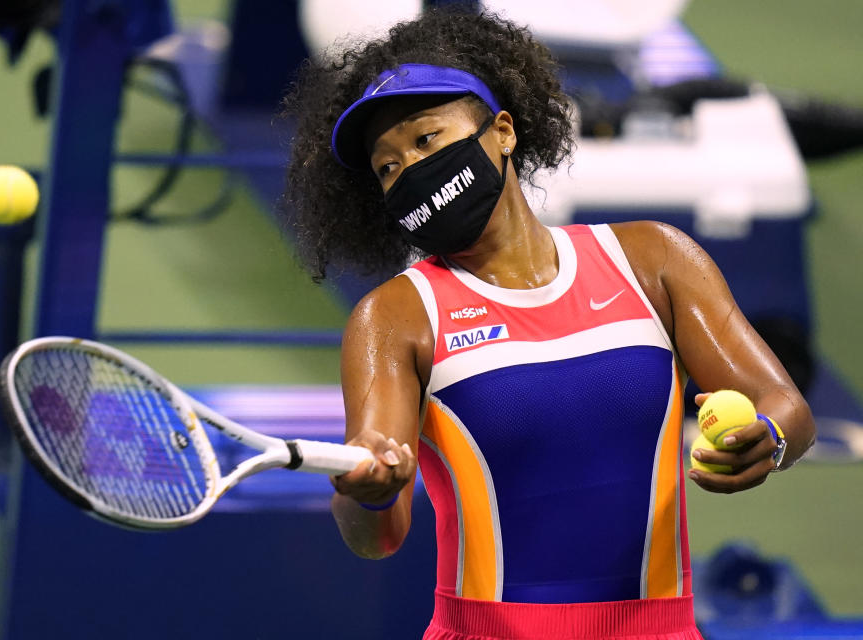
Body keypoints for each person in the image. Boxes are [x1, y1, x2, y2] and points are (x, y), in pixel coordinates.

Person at [281, 8, 815, 640]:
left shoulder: (654, 259)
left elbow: (787, 409)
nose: (411, 169)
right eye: (389, 167)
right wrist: (368, 492)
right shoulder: (395, 317)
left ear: (502, 131)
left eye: (426, 140)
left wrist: (768, 438)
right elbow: (377, 534)